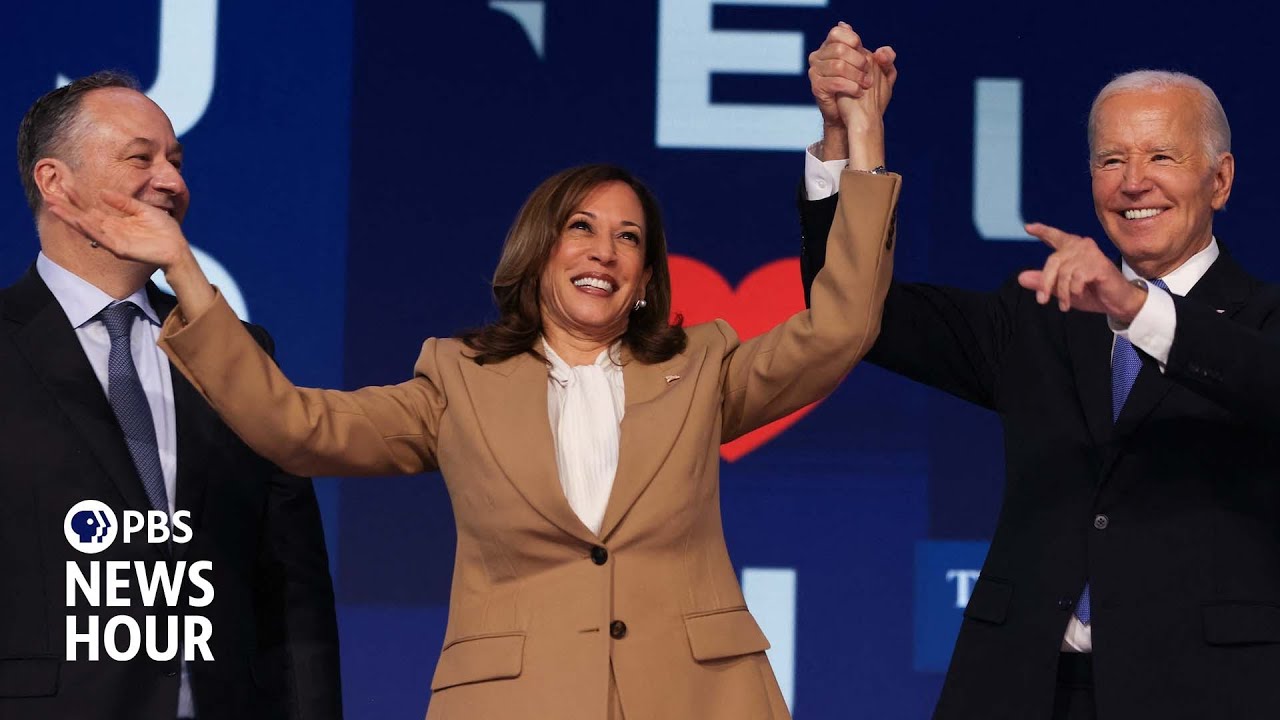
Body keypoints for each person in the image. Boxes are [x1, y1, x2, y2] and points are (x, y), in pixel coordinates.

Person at [47, 62, 898, 714]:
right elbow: (294, 426)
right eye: (580, 228)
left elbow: (842, 327)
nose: (603, 251)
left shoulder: (702, 368)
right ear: (539, 253)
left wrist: (857, 139)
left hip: (699, 699)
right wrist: (183, 271)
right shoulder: (457, 381)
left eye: (629, 239)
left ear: (644, 280)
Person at [802, 26, 1280, 720]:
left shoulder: (1263, 320)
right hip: (1021, 689)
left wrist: (1136, 309)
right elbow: (855, 312)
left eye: (1161, 156)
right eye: (1111, 159)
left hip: (1205, 693)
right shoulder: (1038, 315)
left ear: (1221, 179)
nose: (1133, 181)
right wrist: (847, 137)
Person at [1, 71, 342, 720]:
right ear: (55, 182)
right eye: (141, 158)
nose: (171, 182)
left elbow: (292, 584)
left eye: (176, 162)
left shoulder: (236, 353)